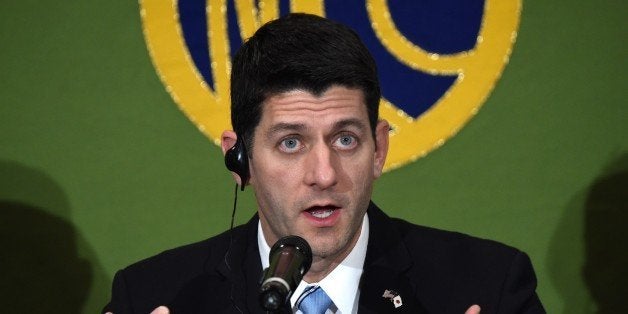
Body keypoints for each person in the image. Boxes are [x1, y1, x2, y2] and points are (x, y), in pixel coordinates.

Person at [103, 13, 544, 314]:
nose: (324, 174)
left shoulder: (488, 289)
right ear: (240, 159)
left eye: (346, 139)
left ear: (380, 149)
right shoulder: (153, 297)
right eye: (291, 142)